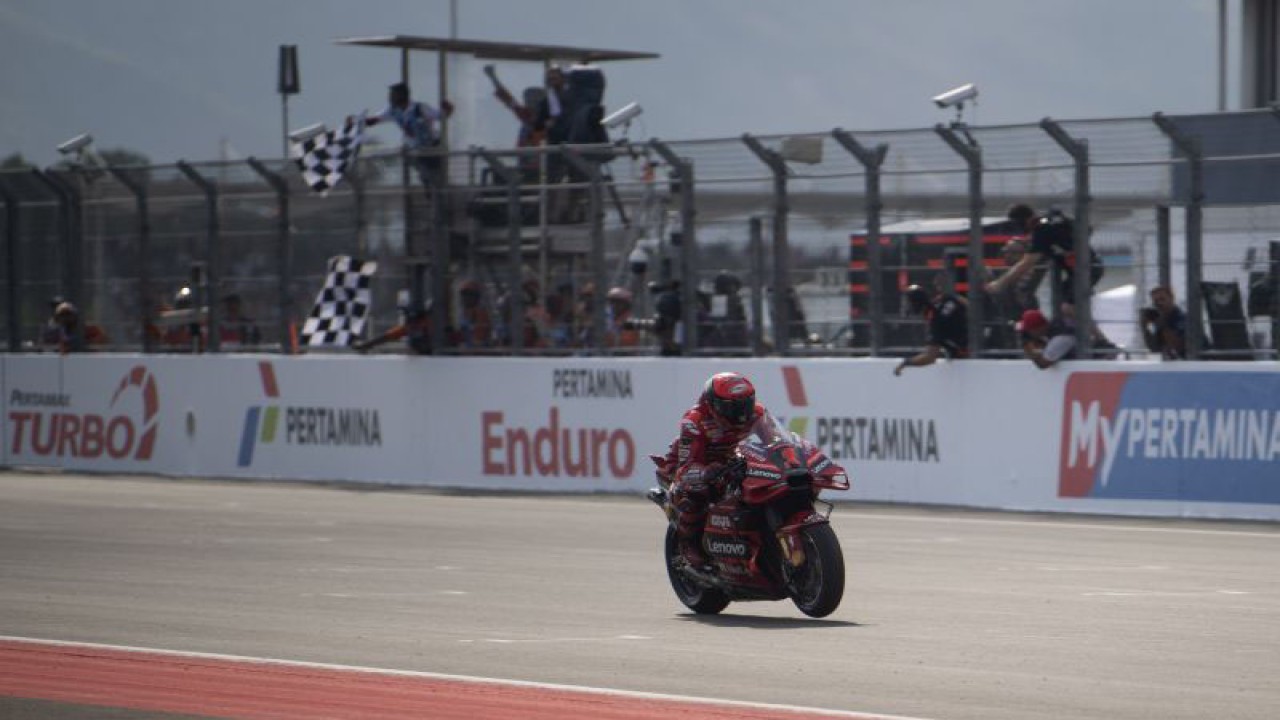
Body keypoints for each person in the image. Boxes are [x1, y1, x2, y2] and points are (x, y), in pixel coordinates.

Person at [660, 372, 765, 569]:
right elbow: (686, 467)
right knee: (696, 490)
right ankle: (688, 546)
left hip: (729, 460)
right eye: (732, 408)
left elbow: (775, 441)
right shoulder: (695, 421)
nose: (741, 414)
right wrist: (707, 472)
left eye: (745, 405)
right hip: (688, 464)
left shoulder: (757, 413)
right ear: (713, 404)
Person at [352, 83, 454, 189]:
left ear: (401, 95)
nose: (390, 97)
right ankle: (430, 186)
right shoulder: (393, 110)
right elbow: (376, 119)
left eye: (393, 94)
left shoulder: (419, 108)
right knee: (424, 172)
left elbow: (440, 115)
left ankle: (437, 189)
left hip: (432, 146)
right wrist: (359, 121)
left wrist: (448, 110)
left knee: (436, 175)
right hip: (416, 149)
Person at [894, 281, 968, 376]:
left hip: (967, 353)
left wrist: (906, 363)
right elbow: (965, 303)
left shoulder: (934, 321)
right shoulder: (943, 298)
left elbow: (930, 358)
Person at [982, 238, 1045, 349]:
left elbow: (1022, 299)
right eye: (1006, 252)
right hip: (1002, 325)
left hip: (1026, 323)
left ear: (1024, 255)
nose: (1008, 255)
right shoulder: (999, 272)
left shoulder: (1032, 273)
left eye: (1013, 253)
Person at [1139, 285, 1187, 359]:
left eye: (1162, 299)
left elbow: (1177, 346)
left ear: (1171, 298)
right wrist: (1145, 326)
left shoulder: (1182, 318)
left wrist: (1163, 324)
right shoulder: (1159, 319)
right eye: (1156, 301)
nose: (1159, 303)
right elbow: (1153, 347)